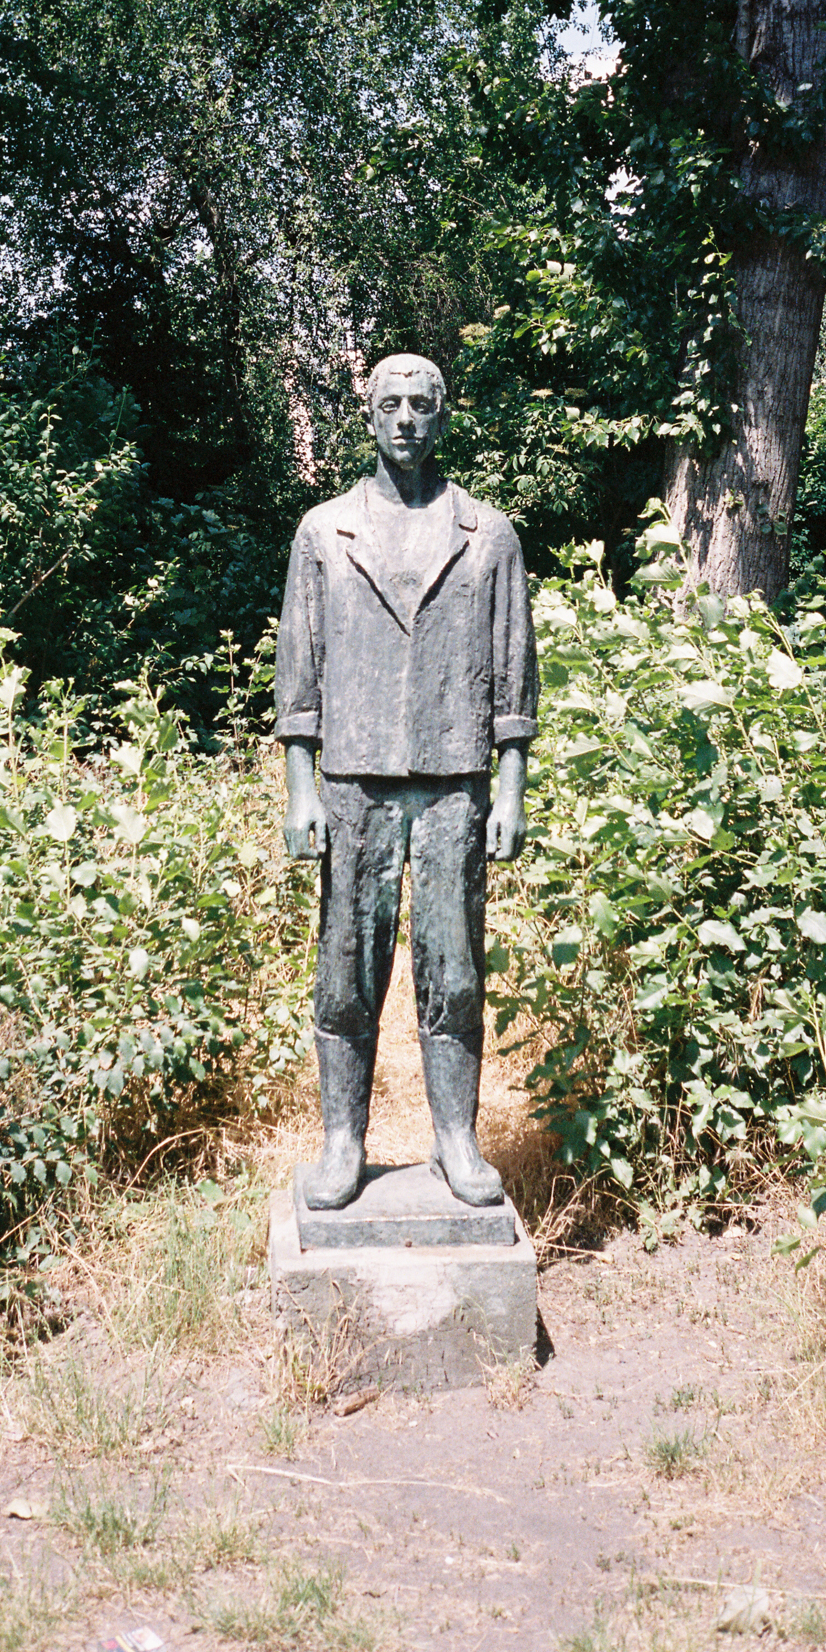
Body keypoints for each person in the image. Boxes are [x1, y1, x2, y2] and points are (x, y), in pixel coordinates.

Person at [275, 354, 538, 1210]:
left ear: (443, 417)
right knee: (344, 968)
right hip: (353, 782)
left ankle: (456, 1138)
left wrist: (509, 789)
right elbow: (298, 672)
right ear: (368, 416)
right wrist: (300, 787)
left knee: (453, 966)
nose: (405, 420)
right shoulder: (323, 531)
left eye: (421, 405)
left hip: (456, 781)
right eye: (389, 404)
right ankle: (342, 1143)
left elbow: (512, 676)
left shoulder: (487, 534)